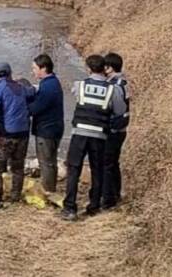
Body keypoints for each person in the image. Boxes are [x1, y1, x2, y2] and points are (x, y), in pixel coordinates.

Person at [61, 55, 127, 221]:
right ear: (104, 69)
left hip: (79, 133)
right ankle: (94, 205)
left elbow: (76, 96)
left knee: (73, 170)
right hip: (100, 134)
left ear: (89, 68)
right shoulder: (114, 90)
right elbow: (119, 111)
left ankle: (69, 207)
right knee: (97, 170)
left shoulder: (80, 85)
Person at [0, 62, 36, 211]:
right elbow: (32, 92)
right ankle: (15, 196)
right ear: (10, 73)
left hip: (5, 135)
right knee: (18, 167)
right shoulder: (21, 88)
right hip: (23, 134)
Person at [27, 54, 65, 193]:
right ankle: (51, 187)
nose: (33, 71)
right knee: (51, 161)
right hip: (55, 128)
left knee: (46, 162)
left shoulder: (47, 87)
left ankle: (48, 191)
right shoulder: (52, 82)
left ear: (44, 68)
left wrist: (21, 106)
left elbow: (35, 108)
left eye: (35, 68)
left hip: (46, 130)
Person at [102, 53, 130, 210]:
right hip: (122, 128)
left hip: (114, 129)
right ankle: (116, 193)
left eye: (104, 67)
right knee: (114, 163)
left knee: (107, 164)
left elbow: (115, 108)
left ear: (109, 67)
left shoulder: (114, 85)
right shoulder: (123, 81)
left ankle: (108, 200)